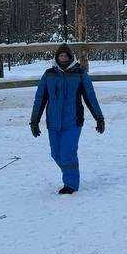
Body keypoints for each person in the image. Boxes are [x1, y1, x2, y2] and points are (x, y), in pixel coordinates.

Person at [29, 44, 105, 194]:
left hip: (73, 121)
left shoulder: (80, 73)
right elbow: (40, 98)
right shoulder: (49, 74)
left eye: (65, 56)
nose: (63, 58)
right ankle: (70, 174)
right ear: (57, 58)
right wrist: (34, 121)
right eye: (60, 56)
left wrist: (99, 117)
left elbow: (90, 97)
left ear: (70, 57)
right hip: (53, 122)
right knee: (56, 154)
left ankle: (70, 184)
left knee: (67, 153)